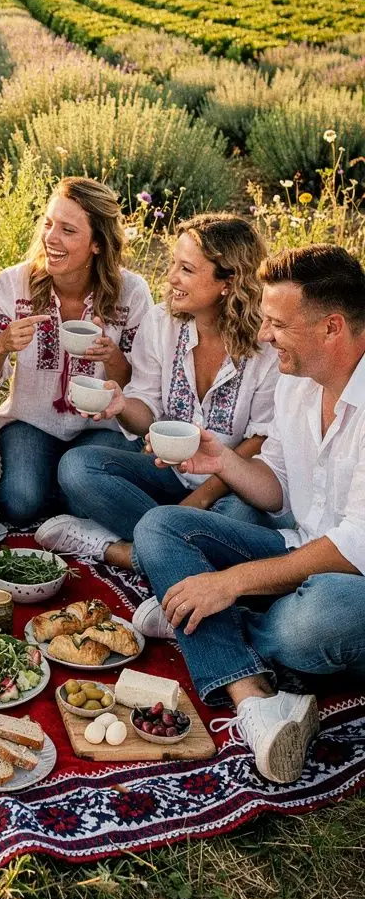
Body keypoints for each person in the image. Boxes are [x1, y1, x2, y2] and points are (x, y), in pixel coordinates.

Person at [131, 244, 365, 785]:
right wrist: (226, 464)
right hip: (299, 550)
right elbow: (277, 488)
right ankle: (254, 698)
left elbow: (356, 544)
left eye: (277, 325)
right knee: (160, 525)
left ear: (332, 328)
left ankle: (201, 623)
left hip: (350, 583)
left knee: (312, 622)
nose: (263, 336)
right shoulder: (296, 383)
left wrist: (231, 584)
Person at [36, 214, 279, 572]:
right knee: (76, 468)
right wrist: (120, 404)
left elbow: (262, 437)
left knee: (245, 522)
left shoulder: (267, 345)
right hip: (166, 471)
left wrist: (200, 499)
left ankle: (122, 551)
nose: (171, 278)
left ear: (228, 281)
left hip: (229, 486)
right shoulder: (161, 320)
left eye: (186, 269)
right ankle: (177, 552)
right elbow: (145, 412)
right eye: (172, 264)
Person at [0, 178, 152, 526]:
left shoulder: (132, 293)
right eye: (48, 224)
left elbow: (141, 388)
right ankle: (56, 482)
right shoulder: (14, 283)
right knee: (19, 503)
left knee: (80, 499)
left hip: (103, 428)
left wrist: (111, 357)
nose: (51, 238)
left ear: (97, 244)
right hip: (31, 422)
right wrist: (0, 346)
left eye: (68, 230)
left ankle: (65, 482)